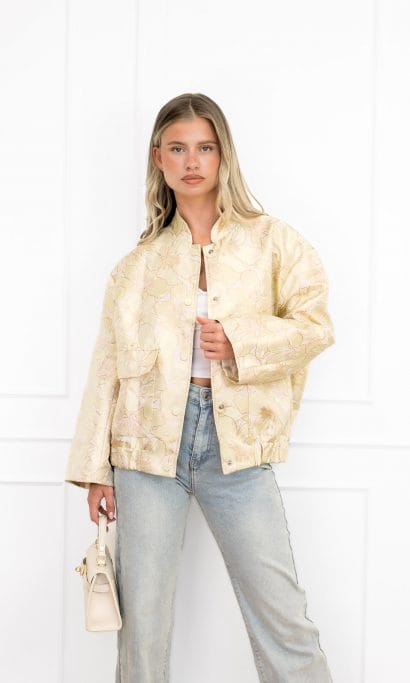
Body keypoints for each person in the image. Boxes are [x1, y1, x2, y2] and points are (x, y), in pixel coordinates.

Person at [65, 92, 335, 682]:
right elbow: (106, 367)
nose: (192, 162)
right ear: (158, 158)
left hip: (237, 444)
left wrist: (239, 341)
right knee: (143, 626)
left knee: (284, 616)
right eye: (178, 148)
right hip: (144, 451)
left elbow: (315, 326)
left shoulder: (273, 241)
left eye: (205, 148)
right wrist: (94, 470)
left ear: (223, 155)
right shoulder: (136, 266)